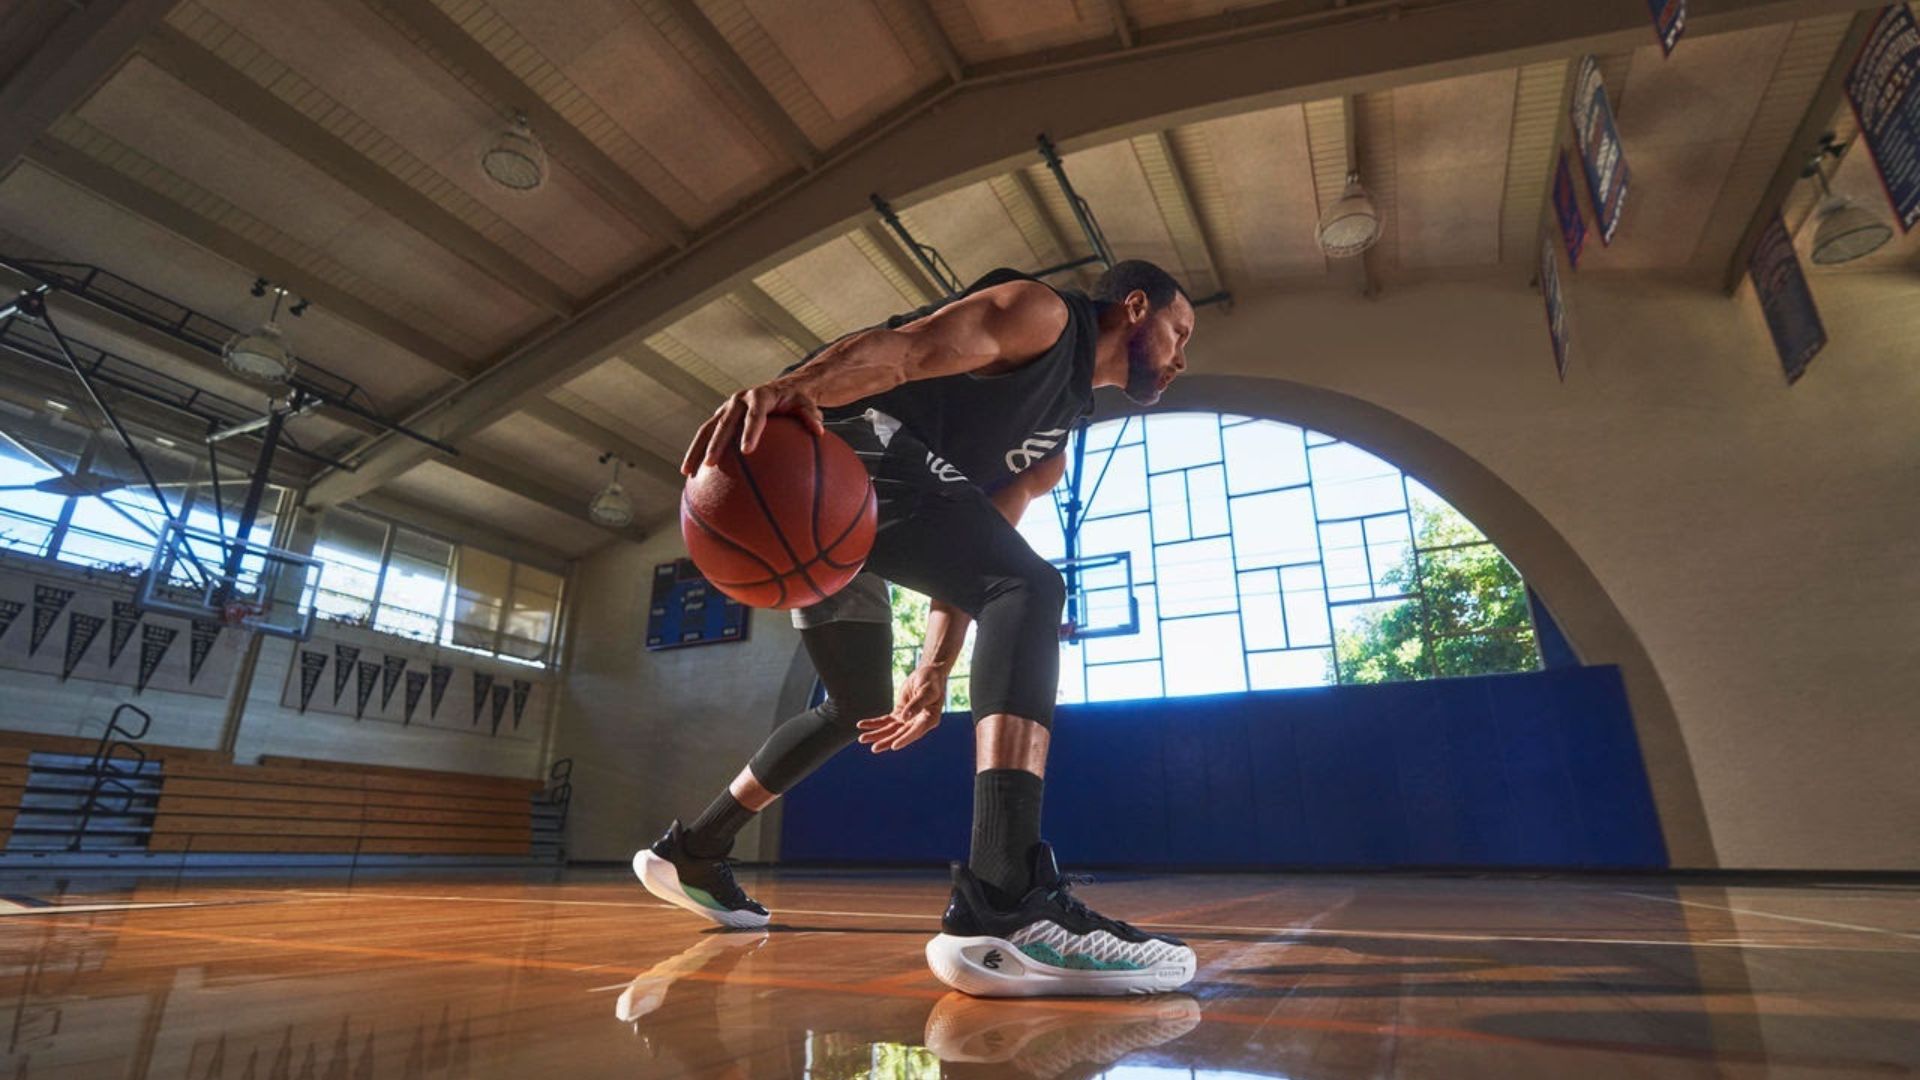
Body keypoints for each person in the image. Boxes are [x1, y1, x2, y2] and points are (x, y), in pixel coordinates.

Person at [634, 260, 1197, 996]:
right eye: (1180, 330)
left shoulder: (1052, 449)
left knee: (859, 705)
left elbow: (979, 552)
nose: (1184, 355)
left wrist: (935, 664)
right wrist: (792, 389)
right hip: (828, 454)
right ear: (1133, 308)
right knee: (1035, 585)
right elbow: (907, 349)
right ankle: (1005, 898)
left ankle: (694, 850)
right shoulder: (1042, 316)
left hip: (856, 517)